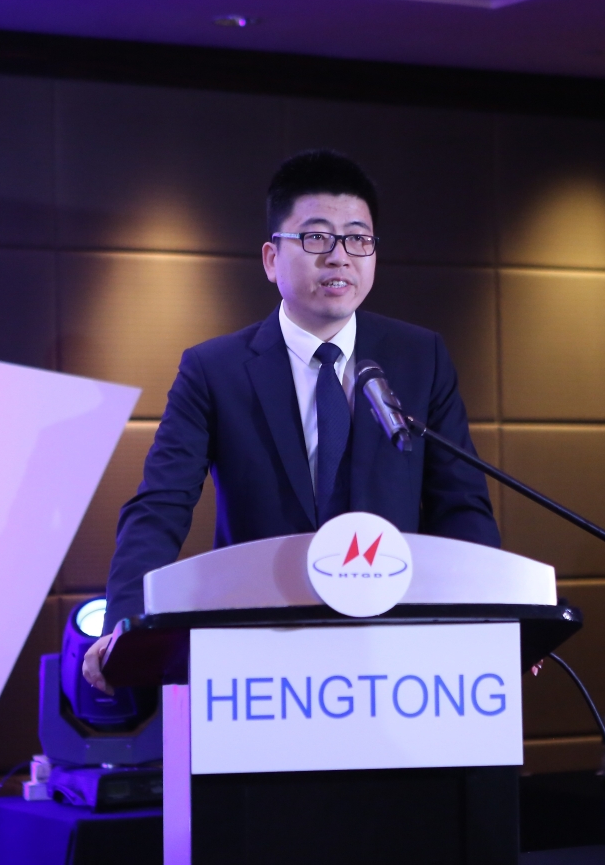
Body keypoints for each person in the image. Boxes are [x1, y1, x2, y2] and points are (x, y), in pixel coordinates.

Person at [83, 149, 499, 692]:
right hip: (257, 651)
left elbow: (460, 505)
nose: (339, 257)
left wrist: (500, 615)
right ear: (271, 258)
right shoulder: (214, 370)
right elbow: (160, 506)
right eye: (316, 237)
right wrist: (123, 625)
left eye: (358, 239)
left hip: (396, 652)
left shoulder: (421, 357)